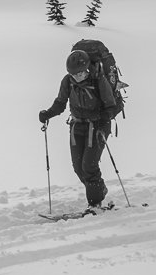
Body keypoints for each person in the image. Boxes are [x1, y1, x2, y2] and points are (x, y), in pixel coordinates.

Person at [38, 49, 122, 210]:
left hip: (98, 126)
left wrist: (106, 115)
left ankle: (95, 203)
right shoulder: (67, 81)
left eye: (81, 73)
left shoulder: (98, 80)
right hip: (77, 125)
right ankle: (99, 189)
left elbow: (111, 105)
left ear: (88, 69)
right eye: (74, 74)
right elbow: (61, 103)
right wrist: (48, 114)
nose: (78, 77)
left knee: (89, 165)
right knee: (78, 167)